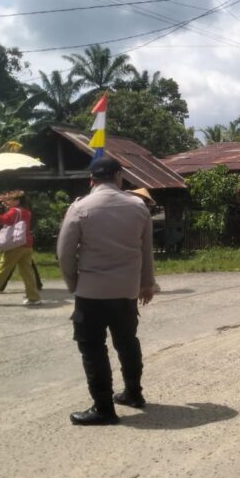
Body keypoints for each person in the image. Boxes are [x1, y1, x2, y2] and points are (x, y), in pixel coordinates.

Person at [57, 157, 156, 426]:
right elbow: (146, 251)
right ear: (118, 176)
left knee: (92, 348)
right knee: (127, 341)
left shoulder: (80, 207)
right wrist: (147, 284)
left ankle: (103, 408)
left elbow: (64, 253)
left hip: (91, 293)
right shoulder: (138, 207)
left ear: (92, 180)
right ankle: (134, 394)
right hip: (126, 291)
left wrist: (74, 284)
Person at [0, 190, 41, 306]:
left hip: (15, 246)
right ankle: (34, 297)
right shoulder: (26, 211)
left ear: (17, 201)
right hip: (26, 244)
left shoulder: (14, 211)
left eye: (10, 199)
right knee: (27, 273)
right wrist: (8, 207)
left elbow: (1, 220)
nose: (7, 200)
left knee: (1, 270)